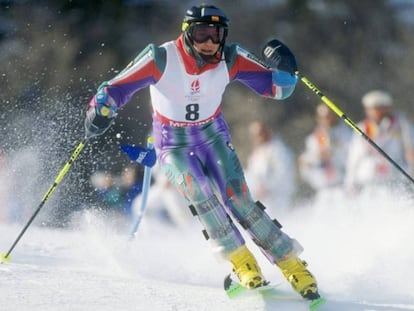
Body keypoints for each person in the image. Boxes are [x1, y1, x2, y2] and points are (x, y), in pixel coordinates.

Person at [84, 4, 319, 300]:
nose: (209, 42)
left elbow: (277, 88)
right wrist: (100, 109)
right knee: (200, 195)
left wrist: (286, 68)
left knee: (240, 200)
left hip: (212, 135)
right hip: (172, 142)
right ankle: (243, 264)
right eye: (201, 33)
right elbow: (116, 88)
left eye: (216, 35)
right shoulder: (161, 57)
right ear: (187, 32)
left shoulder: (230, 57)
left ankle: (293, 265)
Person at [344, 90, 414, 193]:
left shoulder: (401, 124)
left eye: (379, 108)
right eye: (371, 108)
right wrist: (350, 183)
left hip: (396, 179)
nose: (375, 112)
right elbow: (354, 157)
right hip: (369, 181)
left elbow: (410, 151)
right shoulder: (363, 127)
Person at [298, 104, 352, 200]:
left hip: (342, 188)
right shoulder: (314, 138)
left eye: (329, 116)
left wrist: (334, 154)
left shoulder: (347, 134)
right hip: (323, 191)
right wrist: (316, 158)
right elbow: (306, 164)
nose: (326, 120)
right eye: (322, 117)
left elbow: (351, 158)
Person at [245, 121, 296, 215]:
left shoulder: (279, 149)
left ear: (267, 132)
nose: (258, 137)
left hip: (279, 198)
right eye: (255, 135)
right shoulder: (256, 153)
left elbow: (283, 173)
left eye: (260, 133)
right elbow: (251, 175)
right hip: (262, 200)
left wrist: (268, 187)